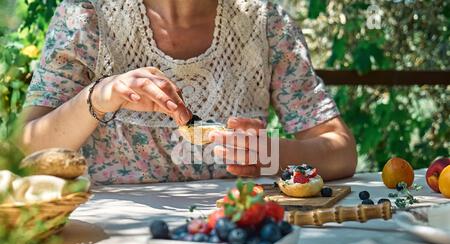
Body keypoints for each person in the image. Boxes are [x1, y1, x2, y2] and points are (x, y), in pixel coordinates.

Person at [21, 0, 357, 185]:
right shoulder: (86, 15)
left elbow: (341, 153)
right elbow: (23, 152)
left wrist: (270, 156)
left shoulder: (266, 21)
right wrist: (97, 97)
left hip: (235, 237)